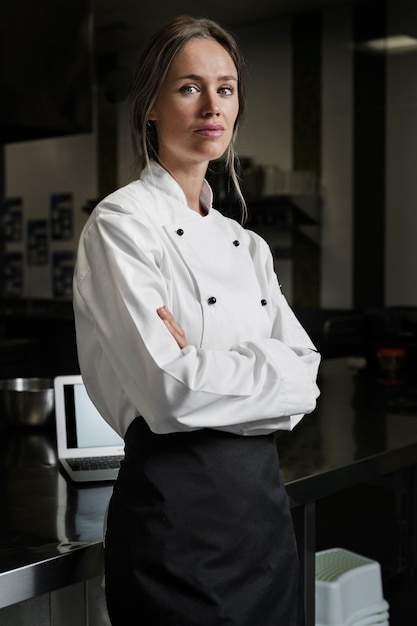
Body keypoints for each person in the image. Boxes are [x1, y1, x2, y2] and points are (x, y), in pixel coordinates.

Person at [73, 14, 320, 626]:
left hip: (262, 518)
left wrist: (205, 366)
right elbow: (170, 394)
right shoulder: (121, 225)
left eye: (226, 88)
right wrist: (267, 365)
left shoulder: (247, 245)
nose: (213, 105)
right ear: (151, 104)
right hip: (173, 524)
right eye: (189, 87)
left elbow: (308, 380)